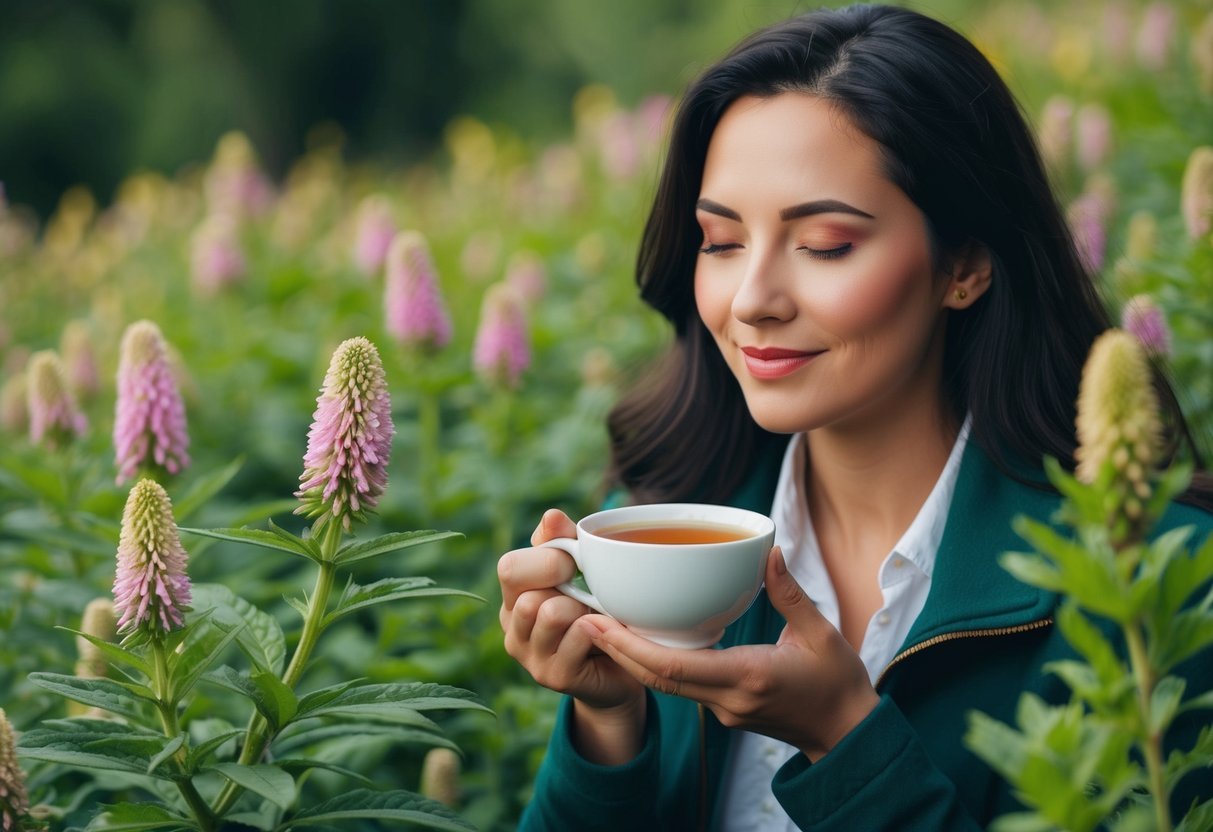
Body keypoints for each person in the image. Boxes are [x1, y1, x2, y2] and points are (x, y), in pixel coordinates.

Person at [496, 5, 1213, 830]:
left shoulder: (1154, 585)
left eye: (825, 244)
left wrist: (844, 740)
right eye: (720, 241)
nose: (753, 302)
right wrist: (606, 727)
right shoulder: (658, 548)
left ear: (965, 265)